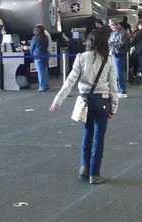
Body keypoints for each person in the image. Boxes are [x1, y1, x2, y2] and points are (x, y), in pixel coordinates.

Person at [50, 31, 119, 185]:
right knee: (99, 137)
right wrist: (114, 108)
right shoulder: (108, 60)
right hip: (102, 100)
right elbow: (113, 86)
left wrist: (57, 101)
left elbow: (70, 81)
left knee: (88, 132)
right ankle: (95, 174)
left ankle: (84, 167)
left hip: (84, 99)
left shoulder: (80, 57)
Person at [108, 20, 130, 97]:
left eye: (112, 26)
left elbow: (122, 44)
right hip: (114, 54)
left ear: (117, 25)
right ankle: (118, 90)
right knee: (116, 73)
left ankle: (122, 91)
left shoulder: (123, 33)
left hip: (119, 54)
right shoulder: (114, 32)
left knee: (120, 73)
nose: (111, 27)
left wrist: (111, 44)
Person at [30, 24, 51, 91]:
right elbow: (47, 45)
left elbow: (31, 47)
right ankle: (46, 84)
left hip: (38, 56)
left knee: (40, 71)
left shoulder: (35, 38)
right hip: (45, 54)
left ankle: (42, 87)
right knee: (45, 70)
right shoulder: (45, 37)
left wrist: (32, 54)